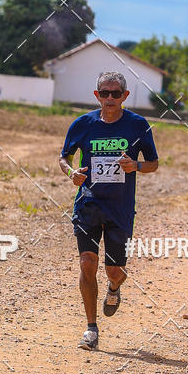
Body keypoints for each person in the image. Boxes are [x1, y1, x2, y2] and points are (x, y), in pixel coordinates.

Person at [59, 72, 159, 350]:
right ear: (97, 96)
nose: (110, 98)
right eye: (105, 93)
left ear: (125, 96)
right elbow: (63, 157)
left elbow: (153, 163)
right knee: (87, 263)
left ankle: (114, 288)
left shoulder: (138, 126)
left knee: (114, 271)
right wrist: (71, 172)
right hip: (89, 204)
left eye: (116, 93)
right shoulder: (83, 124)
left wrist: (136, 166)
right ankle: (91, 329)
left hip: (120, 209)